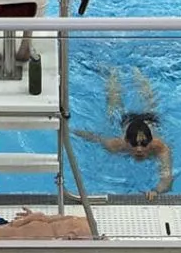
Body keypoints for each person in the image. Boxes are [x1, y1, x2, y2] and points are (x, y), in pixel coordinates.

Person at [74, 66, 175, 195]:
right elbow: (95, 138)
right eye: (134, 143)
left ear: (151, 141)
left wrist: (156, 191)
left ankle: (138, 72)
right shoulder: (116, 145)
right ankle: (112, 73)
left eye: (144, 144)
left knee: (149, 100)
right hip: (126, 121)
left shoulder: (160, 147)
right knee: (113, 103)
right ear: (126, 141)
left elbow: (167, 178)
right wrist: (73, 132)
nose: (139, 149)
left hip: (150, 120)